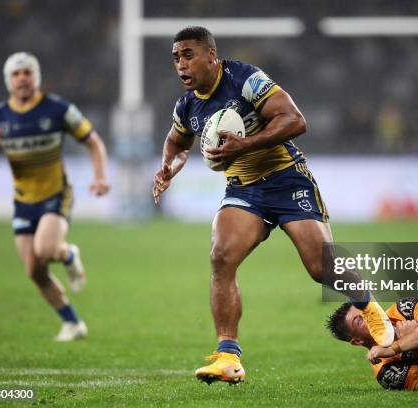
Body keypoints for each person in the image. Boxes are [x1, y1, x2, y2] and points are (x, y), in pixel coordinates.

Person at [152, 26, 394, 384]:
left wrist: (244, 146)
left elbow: (296, 121)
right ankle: (228, 357)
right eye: (176, 58)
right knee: (221, 257)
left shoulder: (245, 79)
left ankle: (369, 307)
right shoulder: (187, 106)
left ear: (211, 57)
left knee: (320, 267)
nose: (181, 65)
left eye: (188, 55)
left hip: (286, 179)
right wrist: (168, 169)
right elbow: (176, 142)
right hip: (244, 189)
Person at [0, 52, 110, 342]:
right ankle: (73, 324)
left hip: (55, 194)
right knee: (34, 271)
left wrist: (100, 177)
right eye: (16, 74)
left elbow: (94, 142)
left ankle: (67, 253)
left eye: (27, 72)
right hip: (23, 201)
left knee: (45, 249)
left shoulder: (58, 109)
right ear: (8, 81)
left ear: (36, 77)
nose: (22, 78)